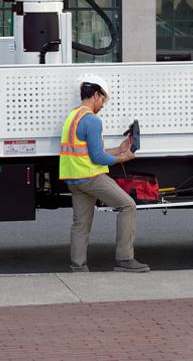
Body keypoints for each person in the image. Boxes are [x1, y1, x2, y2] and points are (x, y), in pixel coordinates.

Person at [59, 74, 148, 273]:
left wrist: (119, 149)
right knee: (128, 205)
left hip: (74, 178)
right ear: (96, 95)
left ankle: (78, 266)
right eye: (103, 99)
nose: (103, 104)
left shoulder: (73, 116)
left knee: (80, 224)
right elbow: (98, 158)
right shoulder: (92, 121)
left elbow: (92, 151)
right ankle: (125, 259)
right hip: (91, 177)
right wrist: (123, 158)